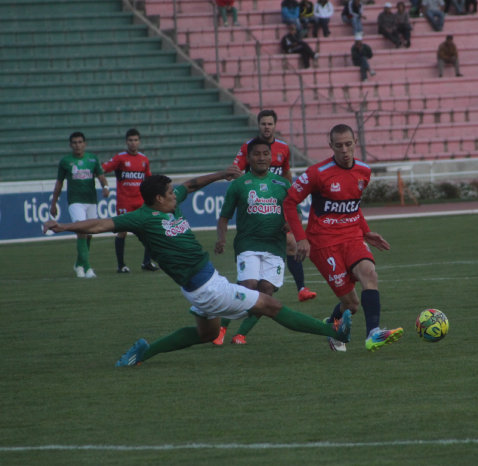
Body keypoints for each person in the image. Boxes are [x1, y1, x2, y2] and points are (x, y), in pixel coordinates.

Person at [43, 169, 352, 367]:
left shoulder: (168, 202)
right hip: (207, 288)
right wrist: (62, 226)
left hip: (201, 285)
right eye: (169, 193)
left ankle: (143, 352)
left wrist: (220, 175)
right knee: (271, 305)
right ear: (156, 199)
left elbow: (190, 185)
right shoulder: (141, 219)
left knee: (207, 333)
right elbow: (98, 223)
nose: (174, 195)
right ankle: (332, 331)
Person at [283, 124, 404, 353]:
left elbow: (352, 206)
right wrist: (301, 238)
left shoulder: (364, 172)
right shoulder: (317, 173)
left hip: (352, 235)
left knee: (369, 273)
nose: (345, 150)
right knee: (352, 305)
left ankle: (373, 333)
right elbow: (289, 202)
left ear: (355, 142)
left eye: (348, 144)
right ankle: (332, 325)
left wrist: (366, 230)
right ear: (331, 146)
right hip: (323, 243)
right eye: (339, 146)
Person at [231, 109, 317, 306]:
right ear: (258, 125)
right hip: (256, 206)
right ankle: (243, 291)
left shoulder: (283, 148)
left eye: (270, 124)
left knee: (292, 243)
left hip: (276, 203)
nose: (266, 127)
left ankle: (302, 288)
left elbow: (286, 174)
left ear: (275, 126)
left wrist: (289, 196)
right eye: (263, 124)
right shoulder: (248, 147)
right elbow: (235, 171)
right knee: (255, 257)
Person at [213, 138, 292, 345]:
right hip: (248, 244)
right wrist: (221, 239)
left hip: (275, 246)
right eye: (257, 154)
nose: (262, 158)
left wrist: (291, 227)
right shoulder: (239, 185)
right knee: (248, 287)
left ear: (271, 157)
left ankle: (241, 335)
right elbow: (224, 217)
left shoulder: (283, 184)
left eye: (266, 153)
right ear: (248, 158)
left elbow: (294, 213)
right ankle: (221, 329)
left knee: (266, 292)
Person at [49, 132, 109, 278]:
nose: (77, 145)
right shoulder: (65, 161)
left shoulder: (92, 159)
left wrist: (106, 187)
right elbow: (59, 183)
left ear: (85, 144)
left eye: (80, 142)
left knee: (90, 232)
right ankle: (87, 268)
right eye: (74, 142)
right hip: (75, 201)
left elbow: (101, 177)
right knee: (81, 229)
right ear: (70, 145)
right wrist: (54, 203)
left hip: (91, 200)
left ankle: (79, 263)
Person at [102, 128, 159, 273]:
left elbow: (148, 179)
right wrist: (105, 184)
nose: (133, 143)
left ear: (139, 142)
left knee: (149, 230)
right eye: (130, 140)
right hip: (124, 201)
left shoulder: (144, 160)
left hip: (140, 201)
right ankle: (121, 265)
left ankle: (146, 262)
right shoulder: (120, 158)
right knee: (122, 232)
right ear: (126, 142)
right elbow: (103, 169)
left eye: (135, 140)